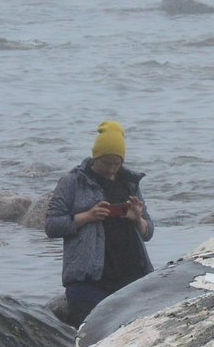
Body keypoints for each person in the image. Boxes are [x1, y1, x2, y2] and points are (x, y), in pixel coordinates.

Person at [44, 120, 154, 324]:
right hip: (88, 283)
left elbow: (148, 232)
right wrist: (87, 216)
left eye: (117, 163)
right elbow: (51, 226)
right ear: (96, 157)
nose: (112, 169)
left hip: (132, 278)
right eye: (106, 163)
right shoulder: (73, 182)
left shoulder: (130, 182)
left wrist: (138, 219)